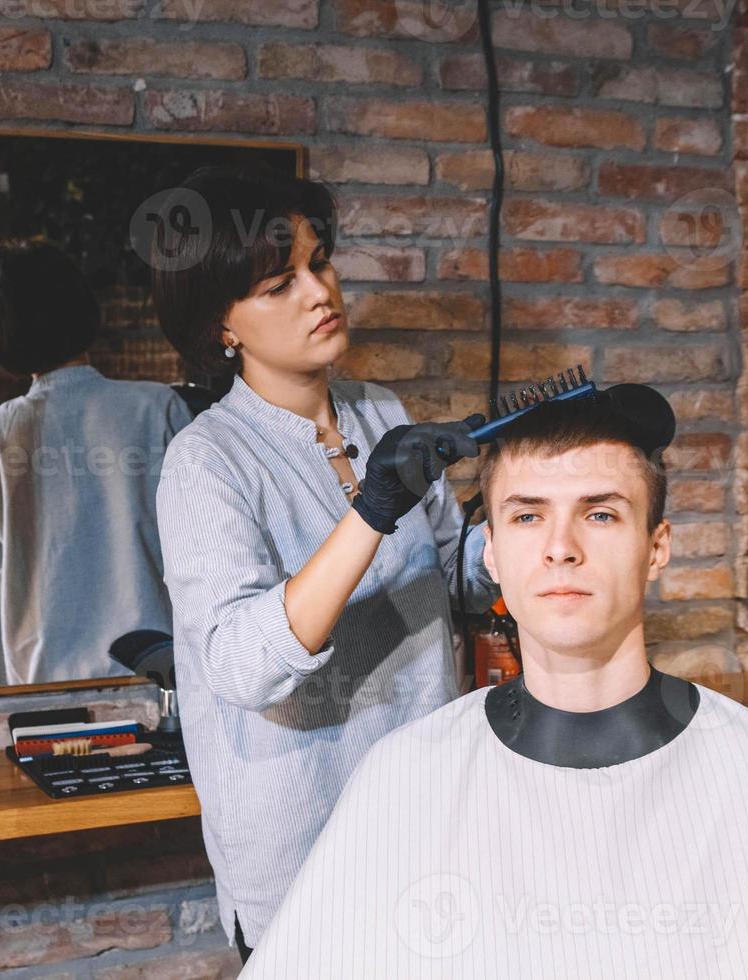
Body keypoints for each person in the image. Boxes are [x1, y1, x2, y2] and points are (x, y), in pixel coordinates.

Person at [241, 383, 748, 977]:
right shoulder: (405, 780)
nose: (561, 546)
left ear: (657, 547)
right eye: (528, 515)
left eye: (600, 513)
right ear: (495, 554)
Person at [150, 166, 497, 962]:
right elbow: (240, 664)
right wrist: (369, 512)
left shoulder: (382, 413)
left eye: (320, 261)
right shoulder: (207, 463)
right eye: (280, 283)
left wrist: (525, 527)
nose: (318, 291)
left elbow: (448, 581)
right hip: (302, 852)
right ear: (221, 326)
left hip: (424, 827)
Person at [0, 238, 192, 689]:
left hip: (44, 676)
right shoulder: (158, 408)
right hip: (160, 671)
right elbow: (200, 539)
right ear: (84, 308)